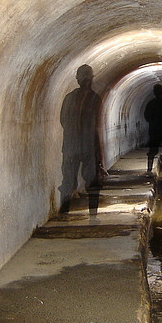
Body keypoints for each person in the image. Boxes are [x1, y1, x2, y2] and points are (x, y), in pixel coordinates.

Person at [59, 65, 103, 212]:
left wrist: (72, 134)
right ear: (91, 79)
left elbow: (63, 121)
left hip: (71, 146)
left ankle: (64, 213)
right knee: (92, 181)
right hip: (88, 145)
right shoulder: (95, 98)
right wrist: (98, 152)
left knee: (68, 181)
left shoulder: (69, 98)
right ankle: (93, 214)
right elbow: (96, 125)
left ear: (78, 79)